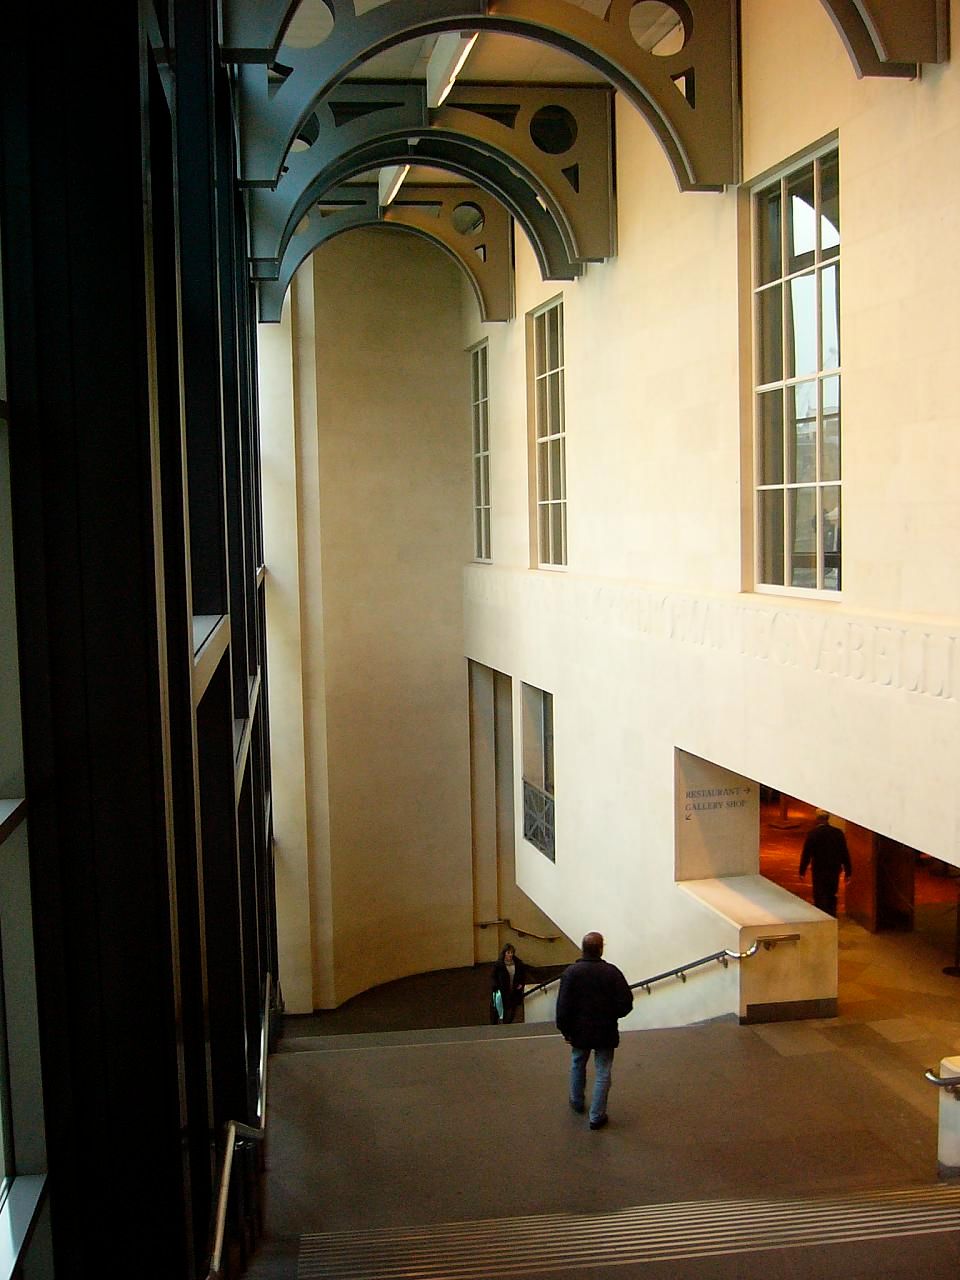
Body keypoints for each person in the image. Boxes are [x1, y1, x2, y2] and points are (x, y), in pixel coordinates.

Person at [555, 932, 633, 1130]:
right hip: (605, 1030)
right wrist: (611, 1015)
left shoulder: (571, 973)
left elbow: (562, 1007)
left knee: (577, 1063)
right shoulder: (612, 972)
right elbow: (626, 1003)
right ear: (600, 949)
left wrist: (566, 1031)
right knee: (603, 1071)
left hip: (579, 1031)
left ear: (583, 948)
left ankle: (577, 1101)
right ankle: (596, 1116)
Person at [800, 810, 852, 917]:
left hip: (819, 869)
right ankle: (832, 915)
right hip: (834, 869)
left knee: (819, 894)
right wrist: (848, 871)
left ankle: (821, 916)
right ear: (828, 818)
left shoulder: (813, 834)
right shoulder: (838, 833)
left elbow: (806, 854)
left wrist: (802, 870)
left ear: (817, 819)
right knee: (832, 894)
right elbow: (844, 852)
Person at [490, 943, 530, 1024]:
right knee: (499, 1008)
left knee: (512, 1009)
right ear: (504, 953)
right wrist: (496, 986)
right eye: (508, 953)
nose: (510, 955)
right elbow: (493, 976)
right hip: (502, 991)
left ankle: (507, 1023)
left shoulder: (518, 964)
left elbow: (523, 975)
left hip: (514, 990)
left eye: (511, 952)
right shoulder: (499, 964)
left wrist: (521, 984)